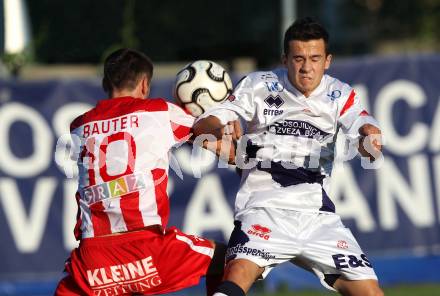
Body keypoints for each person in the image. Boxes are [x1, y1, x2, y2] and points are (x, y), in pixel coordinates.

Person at [193, 17, 384, 296]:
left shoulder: (340, 94)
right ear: (285, 59)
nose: (306, 67)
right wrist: (221, 136)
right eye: (298, 58)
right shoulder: (259, 85)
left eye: (315, 58)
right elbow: (204, 125)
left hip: (318, 218)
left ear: (327, 61)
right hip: (264, 210)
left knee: (371, 292)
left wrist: (369, 139)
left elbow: (365, 128)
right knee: (237, 276)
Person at [55, 48, 229, 296]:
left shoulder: (79, 126)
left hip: (93, 262)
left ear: (105, 82)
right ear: (145, 84)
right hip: (149, 251)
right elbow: (208, 132)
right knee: (231, 259)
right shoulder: (158, 112)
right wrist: (220, 118)